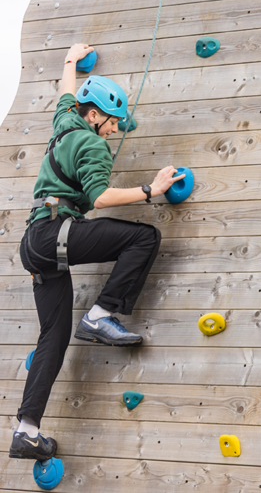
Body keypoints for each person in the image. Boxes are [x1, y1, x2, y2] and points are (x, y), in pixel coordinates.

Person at [9, 43, 184, 461]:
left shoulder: (65, 121)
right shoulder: (90, 145)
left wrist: (70, 60)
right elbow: (100, 198)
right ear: (94, 115)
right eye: (111, 122)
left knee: (53, 337)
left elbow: (65, 93)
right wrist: (149, 190)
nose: (115, 130)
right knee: (143, 238)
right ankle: (101, 314)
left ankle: (26, 430)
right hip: (57, 234)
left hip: (34, 245)